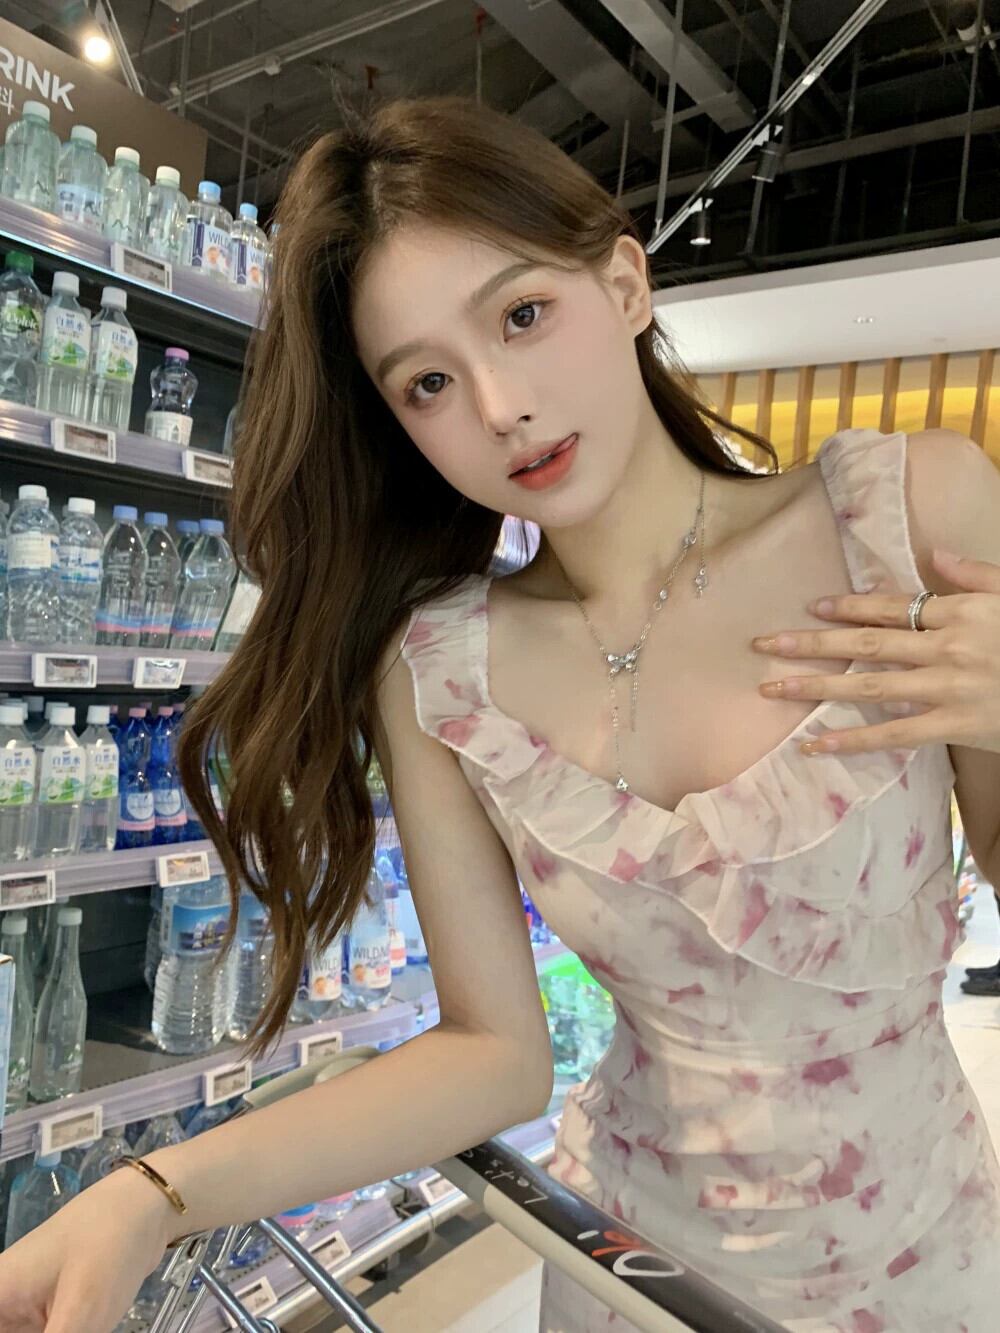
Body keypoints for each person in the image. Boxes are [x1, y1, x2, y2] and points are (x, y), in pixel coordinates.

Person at [2, 94, 999, 1333]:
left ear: (624, 283)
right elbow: (491, 1054)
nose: (497, 406)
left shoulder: (907, 517)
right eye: (427, 382)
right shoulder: (439, 667)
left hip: (923, 1260)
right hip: (627, 1273)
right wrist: (150, 1196)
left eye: (521, 315)